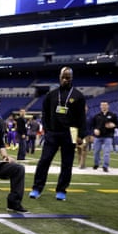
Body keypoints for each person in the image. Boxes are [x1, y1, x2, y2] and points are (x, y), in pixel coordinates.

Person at [29, 67, 86, 201]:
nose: (65, 80)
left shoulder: (78, 96)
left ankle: (61, 190)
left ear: (72, 78)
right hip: (53, 133)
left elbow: (81, 117)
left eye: (68, 77)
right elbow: (45, 114)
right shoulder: (51, 95)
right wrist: (47, 130)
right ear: (59, 77)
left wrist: (81, 135)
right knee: (44, 161)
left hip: (71, 133)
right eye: (63, 77)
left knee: (67, 163)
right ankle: (37, 188)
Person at [91, 101, 118, 172]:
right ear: (100, 106)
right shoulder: (97, 115)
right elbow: (92, 125)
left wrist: (114, 125)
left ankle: (105, 166)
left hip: (108, 136)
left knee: (106, 152)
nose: (103, 106)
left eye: (105, 105)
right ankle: (96, 164)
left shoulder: (113, 115)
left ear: (108, 106)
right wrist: (94, 130)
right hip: (98, 136)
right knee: (96, 151)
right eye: (102, 105)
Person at [76, 104, 92, 169]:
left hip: (86, 135)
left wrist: (91, 135)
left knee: (84, 148)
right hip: (78, 135)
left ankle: (82, 164)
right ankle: (80, 163)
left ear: (87, 108)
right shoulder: (77, 117)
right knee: (79, 149)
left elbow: (92, 127)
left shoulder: (90, 117)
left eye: (85, 107)